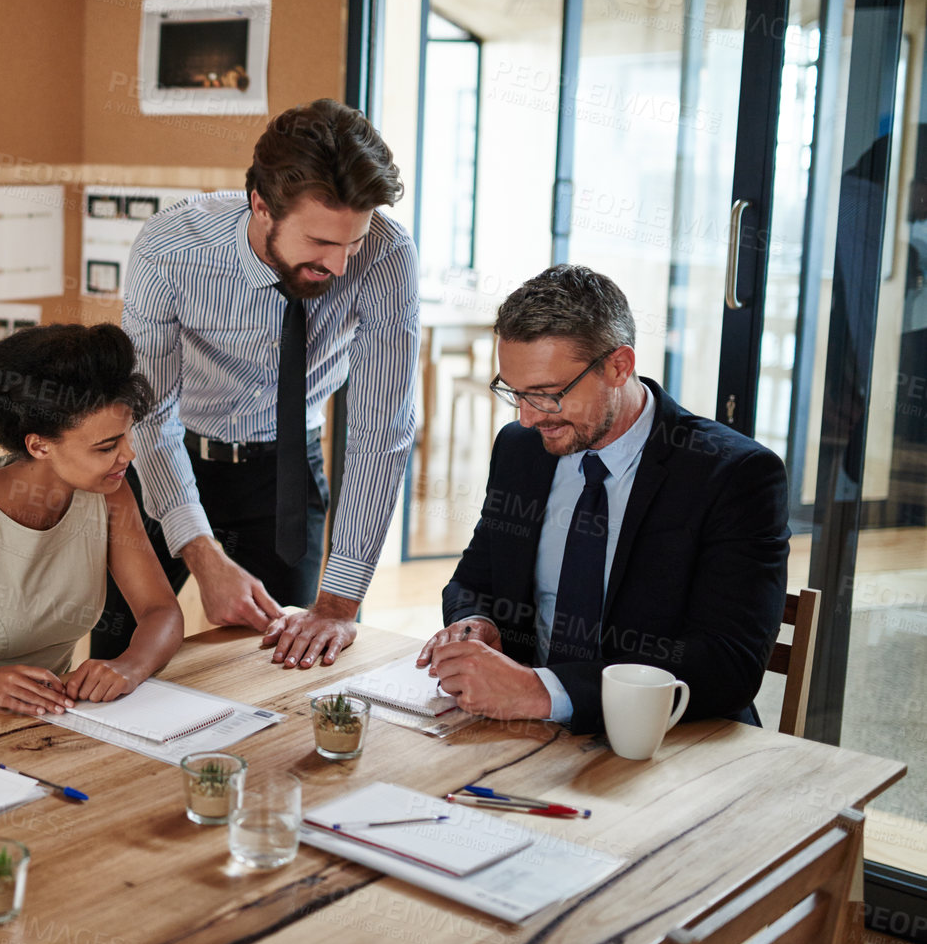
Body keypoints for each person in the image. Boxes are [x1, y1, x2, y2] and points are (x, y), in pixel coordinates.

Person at [95, 98, 417, 673]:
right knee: (117, 653)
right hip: (166, 460)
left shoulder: (388, 258)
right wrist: (201, 551)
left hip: (286, 472)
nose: (341, 266)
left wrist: (340, 604)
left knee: (291, 660)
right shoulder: (172, 249)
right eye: (320, 243)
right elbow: (149, 412)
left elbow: (379, 432)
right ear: (261, 207)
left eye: (353, 243)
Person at [417, 265, 790, 733]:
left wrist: (541, 691)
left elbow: (727, 664)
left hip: (670, 741)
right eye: (515, 394)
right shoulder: (520, 450)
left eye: (547, 395)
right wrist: (477, 622)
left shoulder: (733, 474)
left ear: (619, 366)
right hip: (528, 733)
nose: (529, 418)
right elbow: (476, 576)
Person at [0, 323, 186, 719]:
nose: (127, 454)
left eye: (127, 436)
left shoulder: (109, 496)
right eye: (107, 446)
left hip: (46, 726)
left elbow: (161, 612)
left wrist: (129, 665)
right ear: (39, 445)